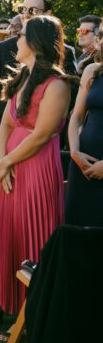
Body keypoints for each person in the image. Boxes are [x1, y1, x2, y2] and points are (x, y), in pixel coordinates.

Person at [0, 16, 71, 332]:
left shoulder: (57, 84)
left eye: (22, 35)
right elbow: (6, 123)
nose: (16, 40)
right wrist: (2, 161)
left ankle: (29, 313)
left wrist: (7, 161)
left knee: (32, 232)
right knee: (1, 231)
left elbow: (41, 135)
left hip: (36, 168)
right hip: (8, 167)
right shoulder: (21, 77)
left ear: (37, 42)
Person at [0, 0, 76, 156]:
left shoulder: (63, 51)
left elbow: (71, 93)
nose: (25, 14)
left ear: (47, 13)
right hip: (5, 126)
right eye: (23, 9)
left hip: (41, 133)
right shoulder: (5, 47)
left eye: (32, 10)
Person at [65, 50, 103, 226]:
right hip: (81, 164)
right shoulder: (93, 71)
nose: (100, 40)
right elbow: (77, 117)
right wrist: (74, 151)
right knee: (77, 228)